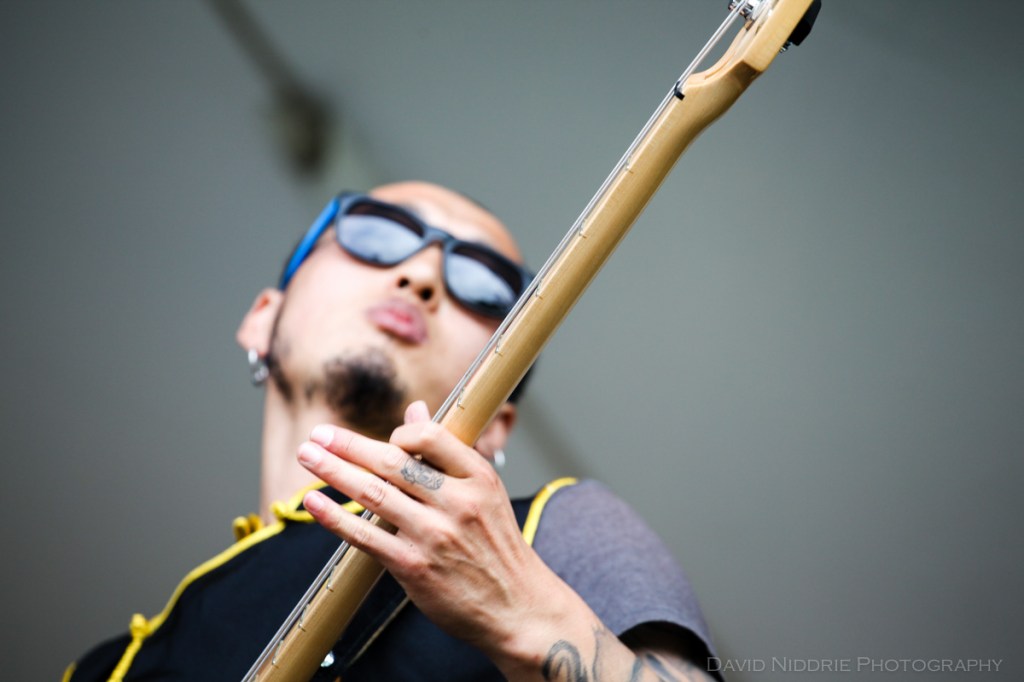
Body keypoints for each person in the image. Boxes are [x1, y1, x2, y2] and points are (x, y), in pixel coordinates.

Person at [66, 181, 720, 681]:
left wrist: (528, 611)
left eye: (485, 286)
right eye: (376, 234)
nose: (422, 276)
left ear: (499, 425)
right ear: (263, 320)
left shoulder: (559, 531)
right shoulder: (114, 665)